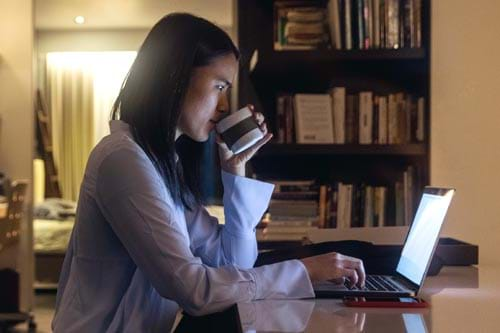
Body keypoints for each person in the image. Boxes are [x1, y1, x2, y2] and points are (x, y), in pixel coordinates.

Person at [52, 13, 365, 332]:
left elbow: (234, 263)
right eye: (219, 86)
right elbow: (193, 290)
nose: (226, 105)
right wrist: (304, 271)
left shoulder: (159, 164)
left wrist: (235, 169)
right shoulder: (123, 159)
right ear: (175, 77)